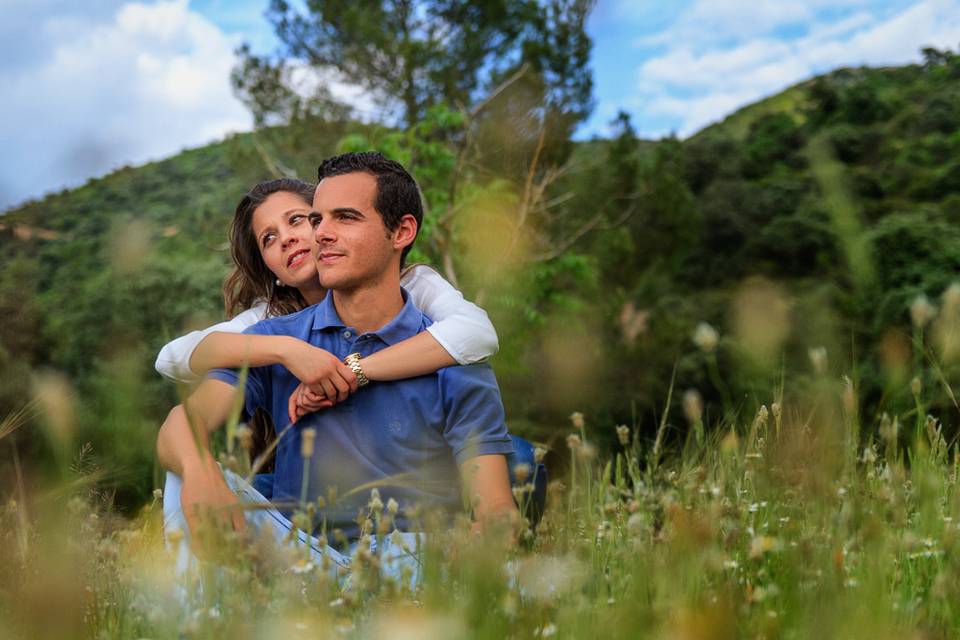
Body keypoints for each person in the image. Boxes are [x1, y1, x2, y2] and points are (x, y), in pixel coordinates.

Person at [158, 152, 517, 583]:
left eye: (344, 218)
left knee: (517, 580)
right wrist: (201, 470)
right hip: (301, 558)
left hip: (412, 556)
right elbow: (183, 411)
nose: (319, 234)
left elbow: (497, 511)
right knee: (186, 470)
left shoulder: (448, 350)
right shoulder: (271, 337)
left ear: (401, 231)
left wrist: (482, 540)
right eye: (316, 220)